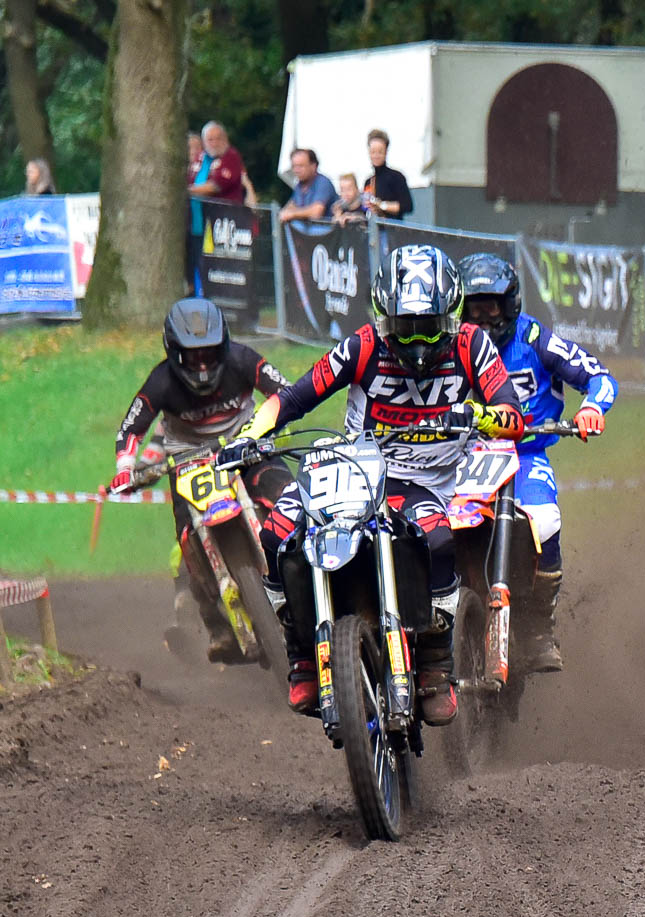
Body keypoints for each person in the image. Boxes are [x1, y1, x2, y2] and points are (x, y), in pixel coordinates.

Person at [228, 244, 525, 723]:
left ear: (452, 316)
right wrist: (249, 435)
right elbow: (295, 397)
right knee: (277, 532)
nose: (418, 342)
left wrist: (477, 414)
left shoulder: (473, 344)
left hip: (430, 478)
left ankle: (435, 661)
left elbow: (513, 416)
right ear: (384, 320)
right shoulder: (363, 345)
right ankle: (302, 654)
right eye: (405, 328)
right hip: (357, 470)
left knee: (438, 540)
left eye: (430, 326)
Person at [457, 252, 619, 672]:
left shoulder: (535, 340)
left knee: (544, 520)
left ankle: (538, 628)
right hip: (461, 455)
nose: (482, 319)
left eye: (491, 309)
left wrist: (592, 408)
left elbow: (599, 376)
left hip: (524, 453)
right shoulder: (450, 344)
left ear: (509, 305)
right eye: (474, 309)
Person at [111, 299, 293, 663]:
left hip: (245, 444)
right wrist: (126, 468)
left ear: (223, 344)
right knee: (187, 539)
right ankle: (218, 625)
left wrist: (278, 418)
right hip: (187, 461)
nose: (203, 365)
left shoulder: (242, 359)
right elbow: (131, 428)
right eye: (193, 356)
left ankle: (316, 576)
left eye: (209, 353)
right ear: (174, 353)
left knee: (289, 500)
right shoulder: (161, 381)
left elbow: (285, 391)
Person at [188, 122, 245, 295]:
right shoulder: (200, 158)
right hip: (197, 224)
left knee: (218, 266)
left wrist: (186, 191)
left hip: (222, 224)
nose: (214, 143)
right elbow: (189, 178)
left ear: (225, 138)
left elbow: (215, 186)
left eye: (217, 138)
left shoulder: (231, 157)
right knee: (197, 263)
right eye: (210, 139)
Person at [278, 148, 337, 225]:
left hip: (325, 231)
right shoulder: (299, 186)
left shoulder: (323, 183)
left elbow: (316, 212)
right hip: (302, 231)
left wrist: (292, 214)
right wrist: (286, 212)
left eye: (301, 166)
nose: (296, 170)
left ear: (313, 166)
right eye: (294, 166)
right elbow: (290, 206)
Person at [365, 130, 413, 220]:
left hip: (393, 227)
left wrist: (382, 205)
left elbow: (407, 206)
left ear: (386, 152)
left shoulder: (397, 177)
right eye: (373, 152)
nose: (376, 155)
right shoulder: (368, 182)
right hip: (374, 226)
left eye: (380, 152)